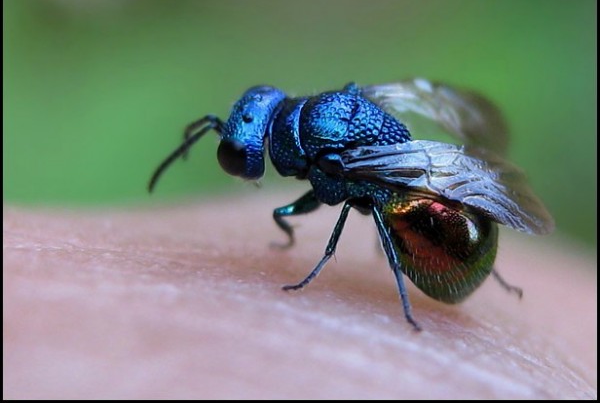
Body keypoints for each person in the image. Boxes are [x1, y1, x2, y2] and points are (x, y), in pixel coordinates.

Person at [3, 196, 596, 399]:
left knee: (377, 210)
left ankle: (418, 295)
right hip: (441, 212)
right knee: (371, 202)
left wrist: (320, 269)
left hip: (445, 229)